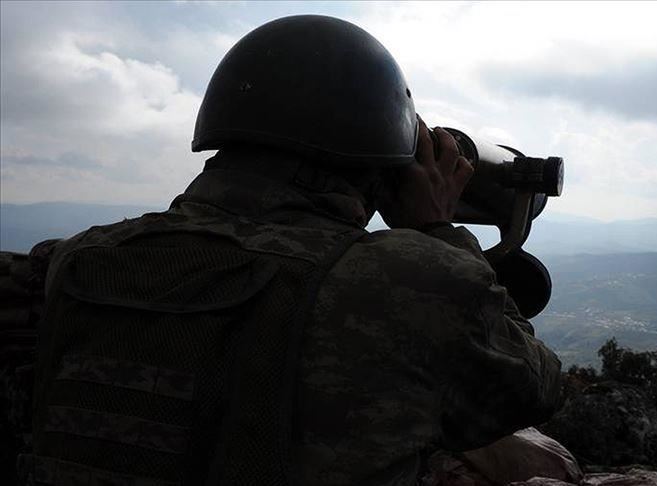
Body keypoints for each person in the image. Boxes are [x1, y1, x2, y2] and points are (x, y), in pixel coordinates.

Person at [20, 15, 562, 485]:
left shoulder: (79, 259)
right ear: (379, 164)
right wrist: (435, 229)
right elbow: (534, 388)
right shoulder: (405, 282)